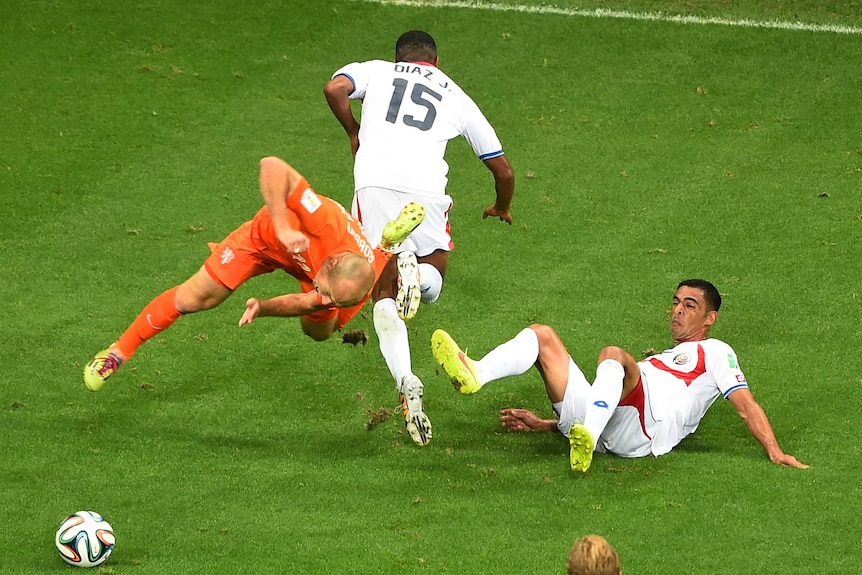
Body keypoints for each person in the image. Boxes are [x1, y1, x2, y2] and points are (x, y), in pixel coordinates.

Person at [83, 156, 423, 392]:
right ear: (331, 262)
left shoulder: (347, 287)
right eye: (328, 292)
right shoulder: (322, 222)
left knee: (318, 331)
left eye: (332, 297)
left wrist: (264, 306)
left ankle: (384, 250)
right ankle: (116, 353)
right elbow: (272, 165)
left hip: (326, 267)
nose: (324, 297)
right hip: (266, 238)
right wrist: (282, 225)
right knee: (197, 297)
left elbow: (310, 299)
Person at [324, 29, 516, 447]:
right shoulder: (455, 94)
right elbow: (503, 170)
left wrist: (354, 131)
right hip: (424, 191)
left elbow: (334, 88)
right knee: (433, 273)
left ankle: (405, 380)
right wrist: (502, 206)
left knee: (382, 292)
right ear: (436, 60)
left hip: (372, 183)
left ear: (399, 57)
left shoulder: (376, 72)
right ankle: (419, 273)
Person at [431, 279, 810, 471]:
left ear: (709, 318)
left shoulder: (716, 351)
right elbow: (609, 399)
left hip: (647, 427)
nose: (677, 311)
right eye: (676, 302)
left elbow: (745, 404)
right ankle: (477, 372)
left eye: (689, 306)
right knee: (542, 336)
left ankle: (588, 438)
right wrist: (549, 424)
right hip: (616, 416)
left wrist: (774, 451)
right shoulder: (668, 355)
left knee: (614, 356)